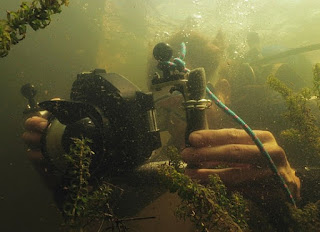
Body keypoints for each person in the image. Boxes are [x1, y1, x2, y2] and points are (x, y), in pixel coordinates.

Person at [22, 31, 302, 231]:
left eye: (184, 102)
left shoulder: (280, 140)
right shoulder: (146, 168)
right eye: (161, 107)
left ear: (223, 92)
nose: (174, 121)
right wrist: (59, 162)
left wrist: (291, 189)